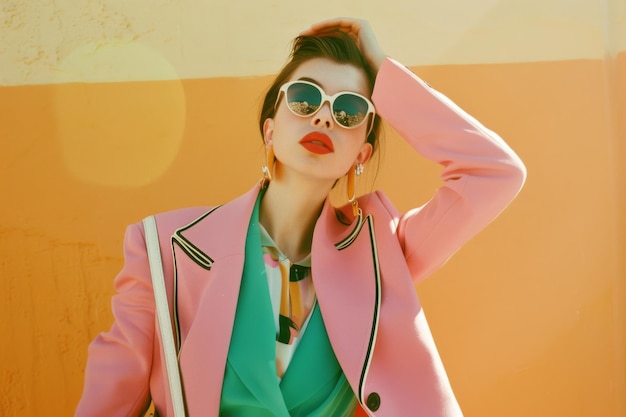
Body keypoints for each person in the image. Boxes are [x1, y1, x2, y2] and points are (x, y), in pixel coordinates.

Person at [75, 17, 526, 417]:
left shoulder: (382, 251)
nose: (326, 118)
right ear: (270, 129)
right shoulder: (164, 247)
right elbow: (111, 399)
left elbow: (495, 174)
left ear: (361, 155)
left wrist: (382, 67)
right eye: (305, 98)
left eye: (350, 110)